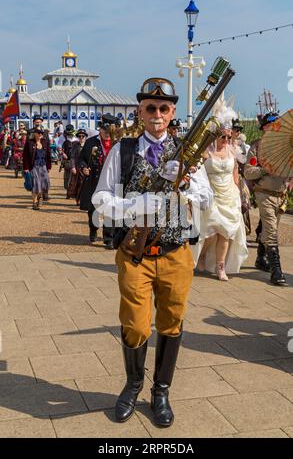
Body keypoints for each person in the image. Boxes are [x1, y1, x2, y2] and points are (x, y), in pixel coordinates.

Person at [92, 77, 210, 427]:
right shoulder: (123, 151)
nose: (157, 114)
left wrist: (185, 182)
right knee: (136, 325)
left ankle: (161, 390)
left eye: (163, 108)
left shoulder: (187, 153)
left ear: (172, 112)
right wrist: (134, 205)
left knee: (171, 322)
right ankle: (133, 384)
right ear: (140, 111)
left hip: (175, 253)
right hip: (135, 255)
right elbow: (100, 201)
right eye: (150, 107)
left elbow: (208, 200)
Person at [194, 114, 248, 281]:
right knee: (211, 231)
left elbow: (236, 176)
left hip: (229, 195)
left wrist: (241, 195)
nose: (225, 139)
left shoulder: (232, 151)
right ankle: (202, 256)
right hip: (212, 194)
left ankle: (220, 266)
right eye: (222, 136)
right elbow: (197, 173)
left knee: (226, 232)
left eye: (227, 136)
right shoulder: (205, 152)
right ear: (215, 136)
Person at [244, 112, 291, 286]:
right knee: (271, 231)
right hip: (264, 193)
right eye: (271, 123)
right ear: (264, 127)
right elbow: (248, 172)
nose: (274, 125)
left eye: (277, 123)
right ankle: (276, 271)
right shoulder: (257, 147)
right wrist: (265, 170)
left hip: (281, 194)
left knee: (269, 228)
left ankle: (260, 258)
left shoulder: (286, 147)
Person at [78, 114, 117, 248]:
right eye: (105, 131)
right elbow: (81, 158)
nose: (107, 134)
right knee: (94, 209)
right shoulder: (91, 142)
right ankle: (93, 229)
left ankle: (108, 238)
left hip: (112, 180)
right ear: (100, 129)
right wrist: (84, 168)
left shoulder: (117, 143)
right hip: (95, 179)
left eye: (109, 131)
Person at [23, 128, 51, 210]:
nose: (40, 134)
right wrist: (26, 167)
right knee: (36, 184)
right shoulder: (29, 143)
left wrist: (49, 166)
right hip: (34, 167)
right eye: (38, 133)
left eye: (41, 133)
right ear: (34, 133)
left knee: (43, 184)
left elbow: (48, 154)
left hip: (43, 166)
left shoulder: (45, 142)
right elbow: (25, 156)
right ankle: (34, 203)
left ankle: (40, 197)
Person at [67, 128, 88, 203]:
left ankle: (83, 199)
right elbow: (72, 157)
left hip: (85, 168)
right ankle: (78, 199)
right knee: (77, 183)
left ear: (85, 137)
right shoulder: (75, 145)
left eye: (83, 136)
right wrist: (73, 167)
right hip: (77, 167)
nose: (81, 138)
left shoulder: (88, 145)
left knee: (85, 184)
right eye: (80, 136)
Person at [61, 124, 76, 193]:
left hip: (75, 158)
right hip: (67, 159)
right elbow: (58, 146)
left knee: (75, 174)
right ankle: (67, 188)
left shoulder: (76, 137)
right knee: (67, 175)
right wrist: (62, 153)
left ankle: (73, 190)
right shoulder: (63, 137)